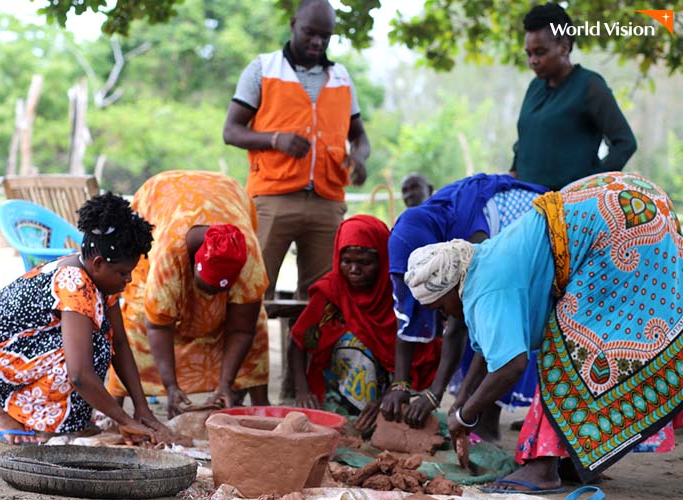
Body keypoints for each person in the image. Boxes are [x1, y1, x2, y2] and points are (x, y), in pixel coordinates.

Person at [405, 172, 682, 492]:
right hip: (634, 202)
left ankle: (543, 469)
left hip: (620, 223)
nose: (444, 317)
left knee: (568, 349)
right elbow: (488, 351)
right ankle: (572, 461)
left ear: (451, 288)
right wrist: (461, 401)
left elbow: (511, 365)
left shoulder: (484, 290)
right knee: (569, 341)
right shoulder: (481, 262)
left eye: (440, 308)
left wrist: (465, 415)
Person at [0, 193, 164, 445]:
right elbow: (79, 375)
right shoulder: (74, 283)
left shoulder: (99, 281)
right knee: (89, 349)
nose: (128, 280)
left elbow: (119, 344)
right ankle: (8, 412)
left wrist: (142, 408)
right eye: (123, 273)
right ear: (97, 263)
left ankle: (66, 420)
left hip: (12, 352)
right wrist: (124, 420)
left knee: (100, 340)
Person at [222, 0, 371, 301]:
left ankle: (302, 351)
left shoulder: (341, 77)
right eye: (310, 33)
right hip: (273, 199)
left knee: (321, 299)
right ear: (293, 25)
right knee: (254, 295)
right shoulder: (263, 69)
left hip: (327, 204)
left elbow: (360, 137)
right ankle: (254, 350)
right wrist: (276, 140)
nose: (317, 42)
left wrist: (359, 157)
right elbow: (231, 131)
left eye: (325, 36)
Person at [380, 173, 548, 440]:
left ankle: (487, 428)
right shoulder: (439, 252)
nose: (442, 315)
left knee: (503, 341)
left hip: (550, 244)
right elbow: (410, 316)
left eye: (439, 307)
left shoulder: (475, 254)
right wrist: (403, 385)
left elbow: (499, 350)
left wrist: (456, 407)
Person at [105, 170, 270, 418]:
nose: (211, 299)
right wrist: (171, 387)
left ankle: (261, 405)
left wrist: (224, 383)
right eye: (207, 289)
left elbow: (242, 329)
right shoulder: (168, 255)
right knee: (138, 317)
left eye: (221, 292)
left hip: (227, 191)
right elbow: (158, 326)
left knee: (255, 321)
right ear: (193, 262)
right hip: (160, 197)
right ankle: (114, 407)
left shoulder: (250, 261)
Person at [289, 215, 440, 431]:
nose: (353, 270)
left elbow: (422, 352)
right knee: (353, 345)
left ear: (384, 259)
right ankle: (353, 417)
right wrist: (302, 391)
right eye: (346, 261)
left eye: (364, 263)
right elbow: (297, 341)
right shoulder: (331, 291)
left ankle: (384, 413)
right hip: (341, 388)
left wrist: (395, 391)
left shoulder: (400, 292)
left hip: (397, 386)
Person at [510, 3, 636, 191]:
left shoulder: (589, 86)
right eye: (529, 54)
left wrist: (590, 187)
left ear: (564, 47)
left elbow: (625, 142)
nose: (533, 61)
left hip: (567, 209)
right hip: (525, 202)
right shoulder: (535, 87)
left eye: (540, 52)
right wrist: (512, 174)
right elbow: (526, 139)